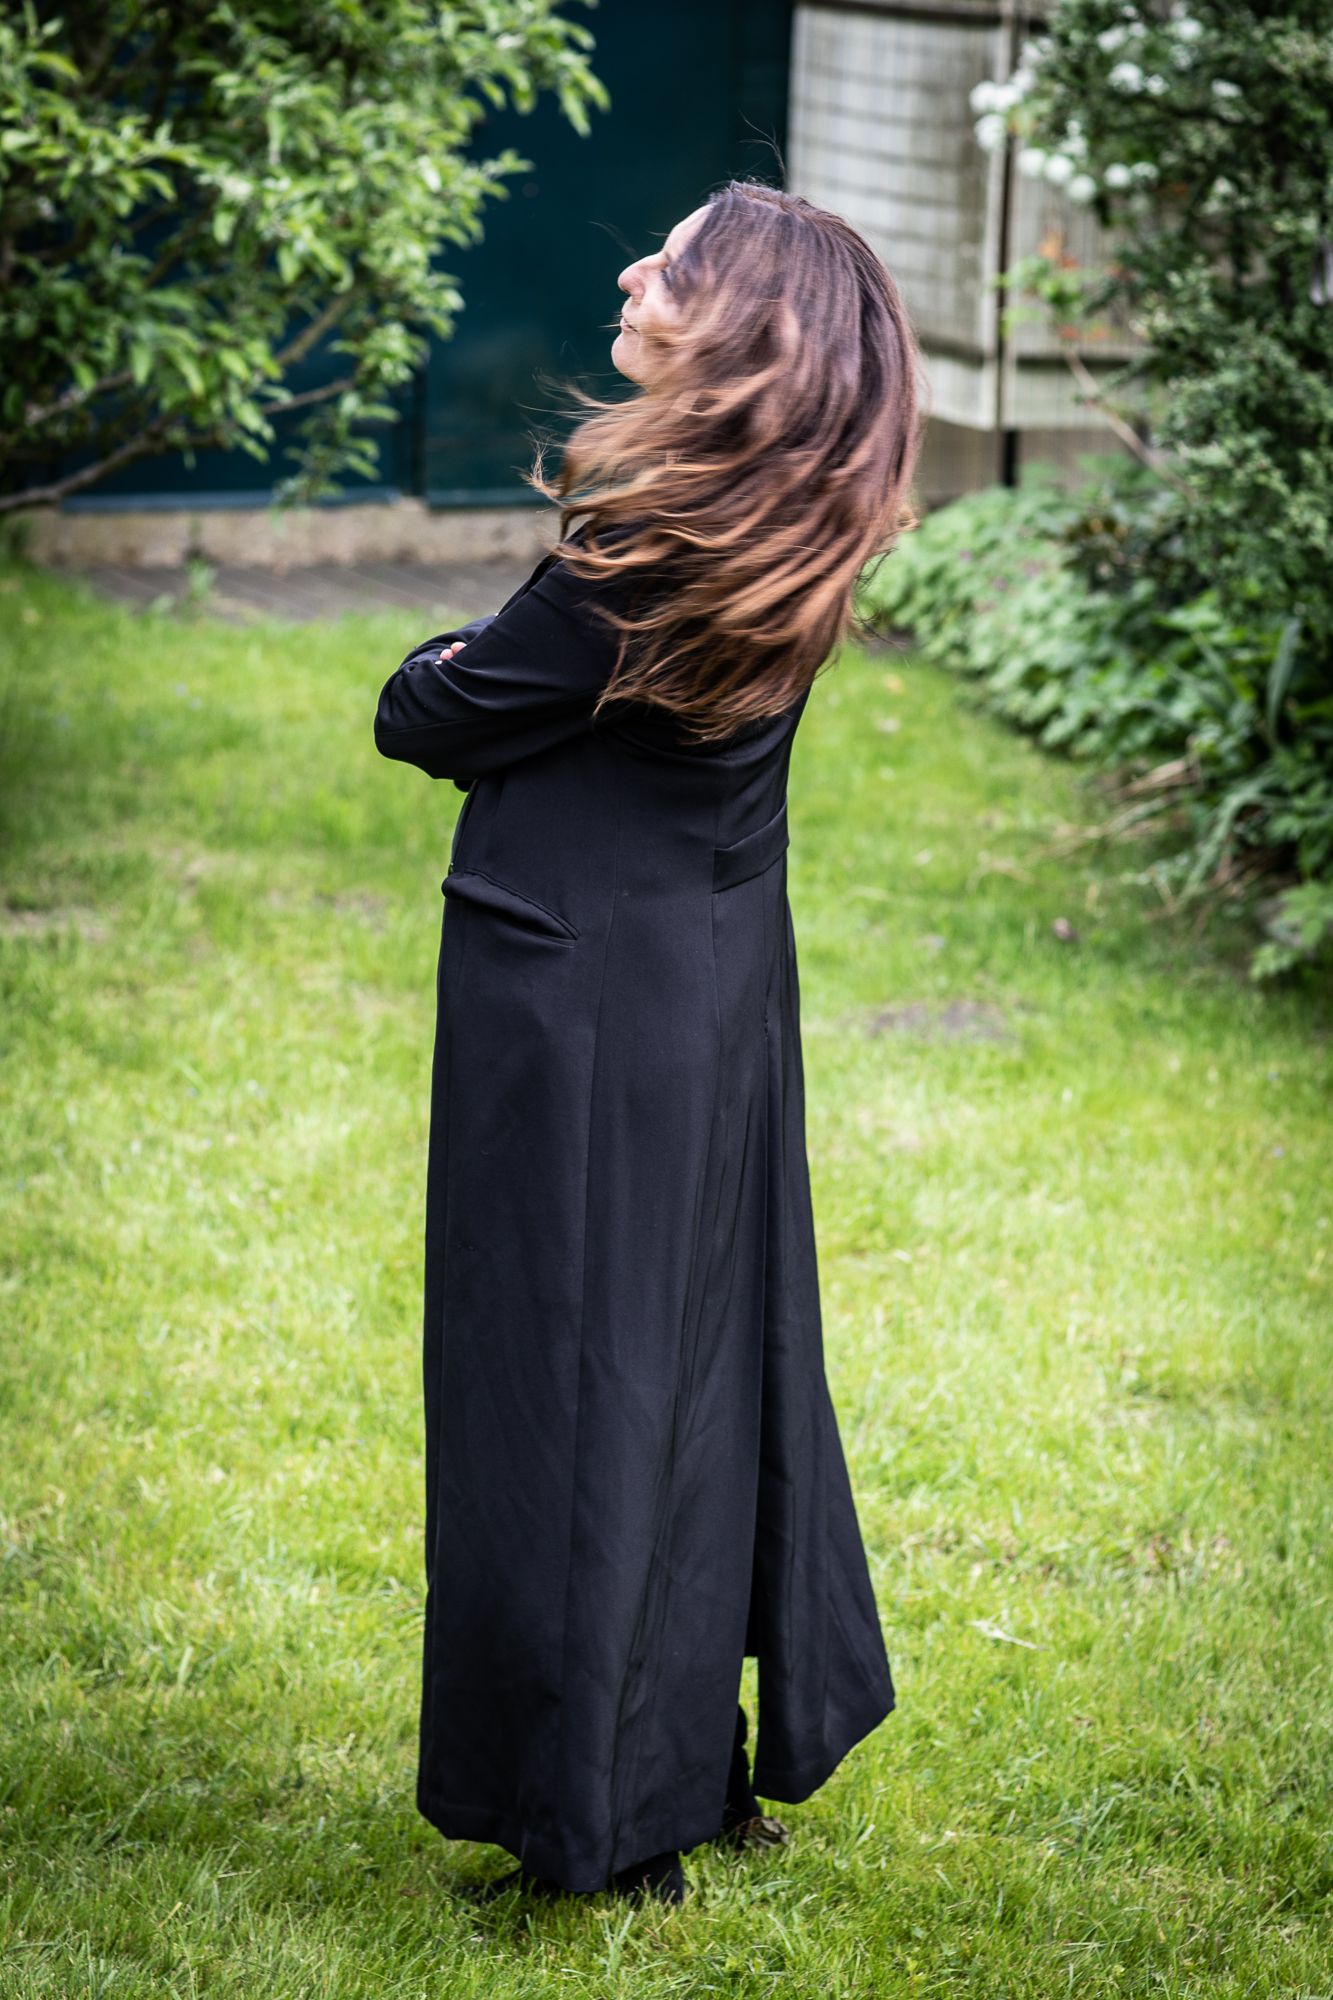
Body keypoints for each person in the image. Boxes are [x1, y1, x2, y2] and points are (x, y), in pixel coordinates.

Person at [373, 179, 922, 1907]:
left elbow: (427, 710)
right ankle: (687, 1769)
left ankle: (603, 1825)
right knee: (696, 1373)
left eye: (670, 262)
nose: (631, 269)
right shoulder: (788, 526)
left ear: (733, 326)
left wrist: (458, 648)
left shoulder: (637, 556)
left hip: (577, 1003)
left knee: (570, 1396)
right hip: (710, 984)